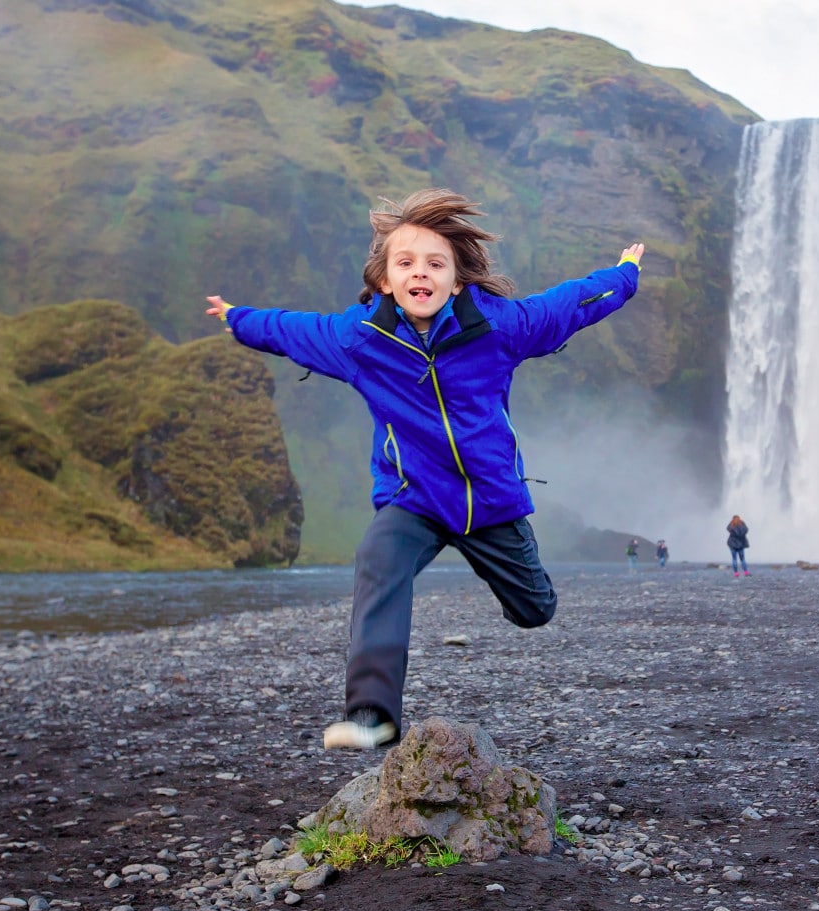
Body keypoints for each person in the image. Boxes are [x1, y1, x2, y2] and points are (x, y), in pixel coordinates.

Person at [205, 188, 644, 750]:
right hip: (414, 496)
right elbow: (293, 329)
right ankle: (372, 712)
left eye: (436, 263)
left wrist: (624, 275)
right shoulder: (359, 340)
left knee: (535, 610)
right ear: (385, 280)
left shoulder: (499, 328)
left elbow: (571, 304)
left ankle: (520, 594)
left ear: (457, 280)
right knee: (377, 560)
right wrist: (239, 319)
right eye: (406, 262)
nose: (421, 273)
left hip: (489, 503)